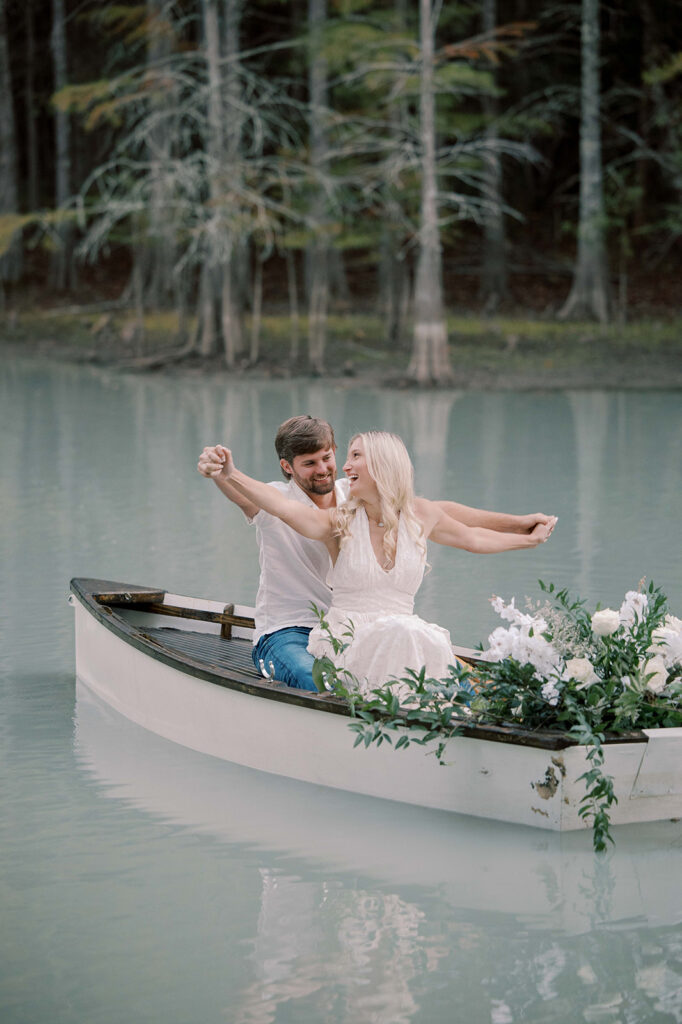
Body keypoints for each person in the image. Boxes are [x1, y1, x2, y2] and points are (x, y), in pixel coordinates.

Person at [199, 428, 557, 696]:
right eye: (310, 463)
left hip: (386, 630)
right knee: (321, 682)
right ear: (288, 467)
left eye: (335, 457)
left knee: (474, 688)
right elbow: (277, 506)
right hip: (296, 630)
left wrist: (523, 531)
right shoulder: (333, 515)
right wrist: (227, 473)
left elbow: (464, 528)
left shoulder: (364, 496)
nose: (333, 468)